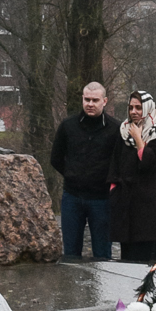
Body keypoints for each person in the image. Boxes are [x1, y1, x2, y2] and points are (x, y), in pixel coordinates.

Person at [49, 82, 114, 262]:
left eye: (95, 100)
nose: (90, 104)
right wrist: (72, 174)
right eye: (87, 99)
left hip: (102, 199)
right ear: (82, 99)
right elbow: (55, 158)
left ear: (104, 101)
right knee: (70, 254)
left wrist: (105, 181)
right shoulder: (68, 126)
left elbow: (119, 163)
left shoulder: (115, 129)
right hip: (72, 196)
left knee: (103, 254)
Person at [110, 90, 156, 265]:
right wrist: (114, 190)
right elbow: (115, 163)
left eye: (138, 108)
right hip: (125, 202)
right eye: (131, 107)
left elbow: (151, 165)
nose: (134, 112)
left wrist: (139, 140)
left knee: (145, 260)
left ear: (147, 108)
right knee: (126, 259)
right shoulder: (123, 131)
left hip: (146, 204)